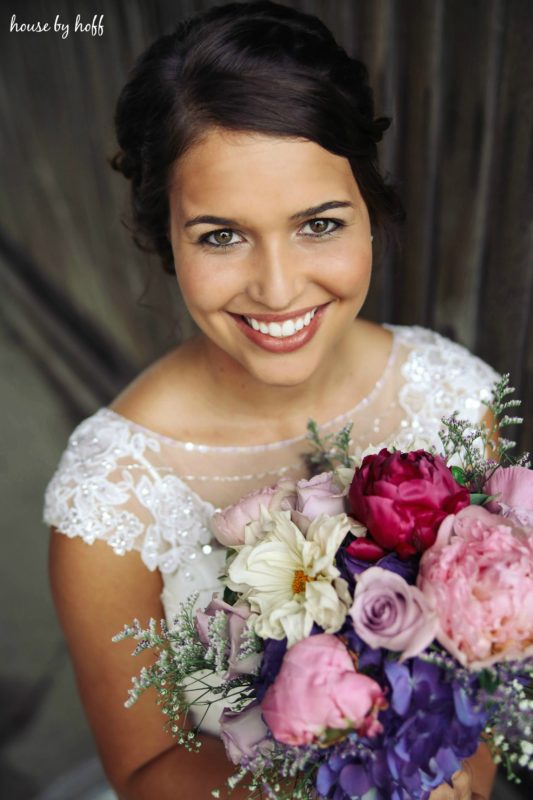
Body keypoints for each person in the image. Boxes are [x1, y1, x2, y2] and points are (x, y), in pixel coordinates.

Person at [45, 2, 499, 798]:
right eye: (221, 236)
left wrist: (463, 766)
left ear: (372, 207)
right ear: (165, 237)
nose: (279, 287)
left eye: (318, 224)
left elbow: (502, 652)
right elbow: (146, 771)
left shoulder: (455, 395)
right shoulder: (110, 500)